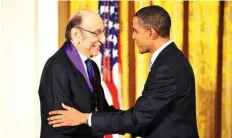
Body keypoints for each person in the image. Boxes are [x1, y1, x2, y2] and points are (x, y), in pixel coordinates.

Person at [48, 5, 199, 138]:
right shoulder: (58, 66)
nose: (133, 36)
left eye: (136, 31)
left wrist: (85, 118)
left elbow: (137, 119)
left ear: (151, 33)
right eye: (96, 33)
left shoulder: (167, 68)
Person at [38, 10, 118, 138]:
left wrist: (134, 120)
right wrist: (97, 123)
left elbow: (102, 108)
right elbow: (62, 123)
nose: (103, 40)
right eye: (96, 33)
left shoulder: (92, 66)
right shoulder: (56, 66)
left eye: (103, 32)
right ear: (76, 35)